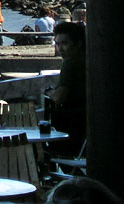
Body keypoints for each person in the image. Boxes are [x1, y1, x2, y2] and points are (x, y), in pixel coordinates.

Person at [47, 22, 87, 155]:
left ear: (78, 43)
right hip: (87, 127)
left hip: (73, 128)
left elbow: (59, 98)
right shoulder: (89, 59)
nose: (60, 49)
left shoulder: (70, 63)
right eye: (57, 44)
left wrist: (49, 92)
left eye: (65, 43)